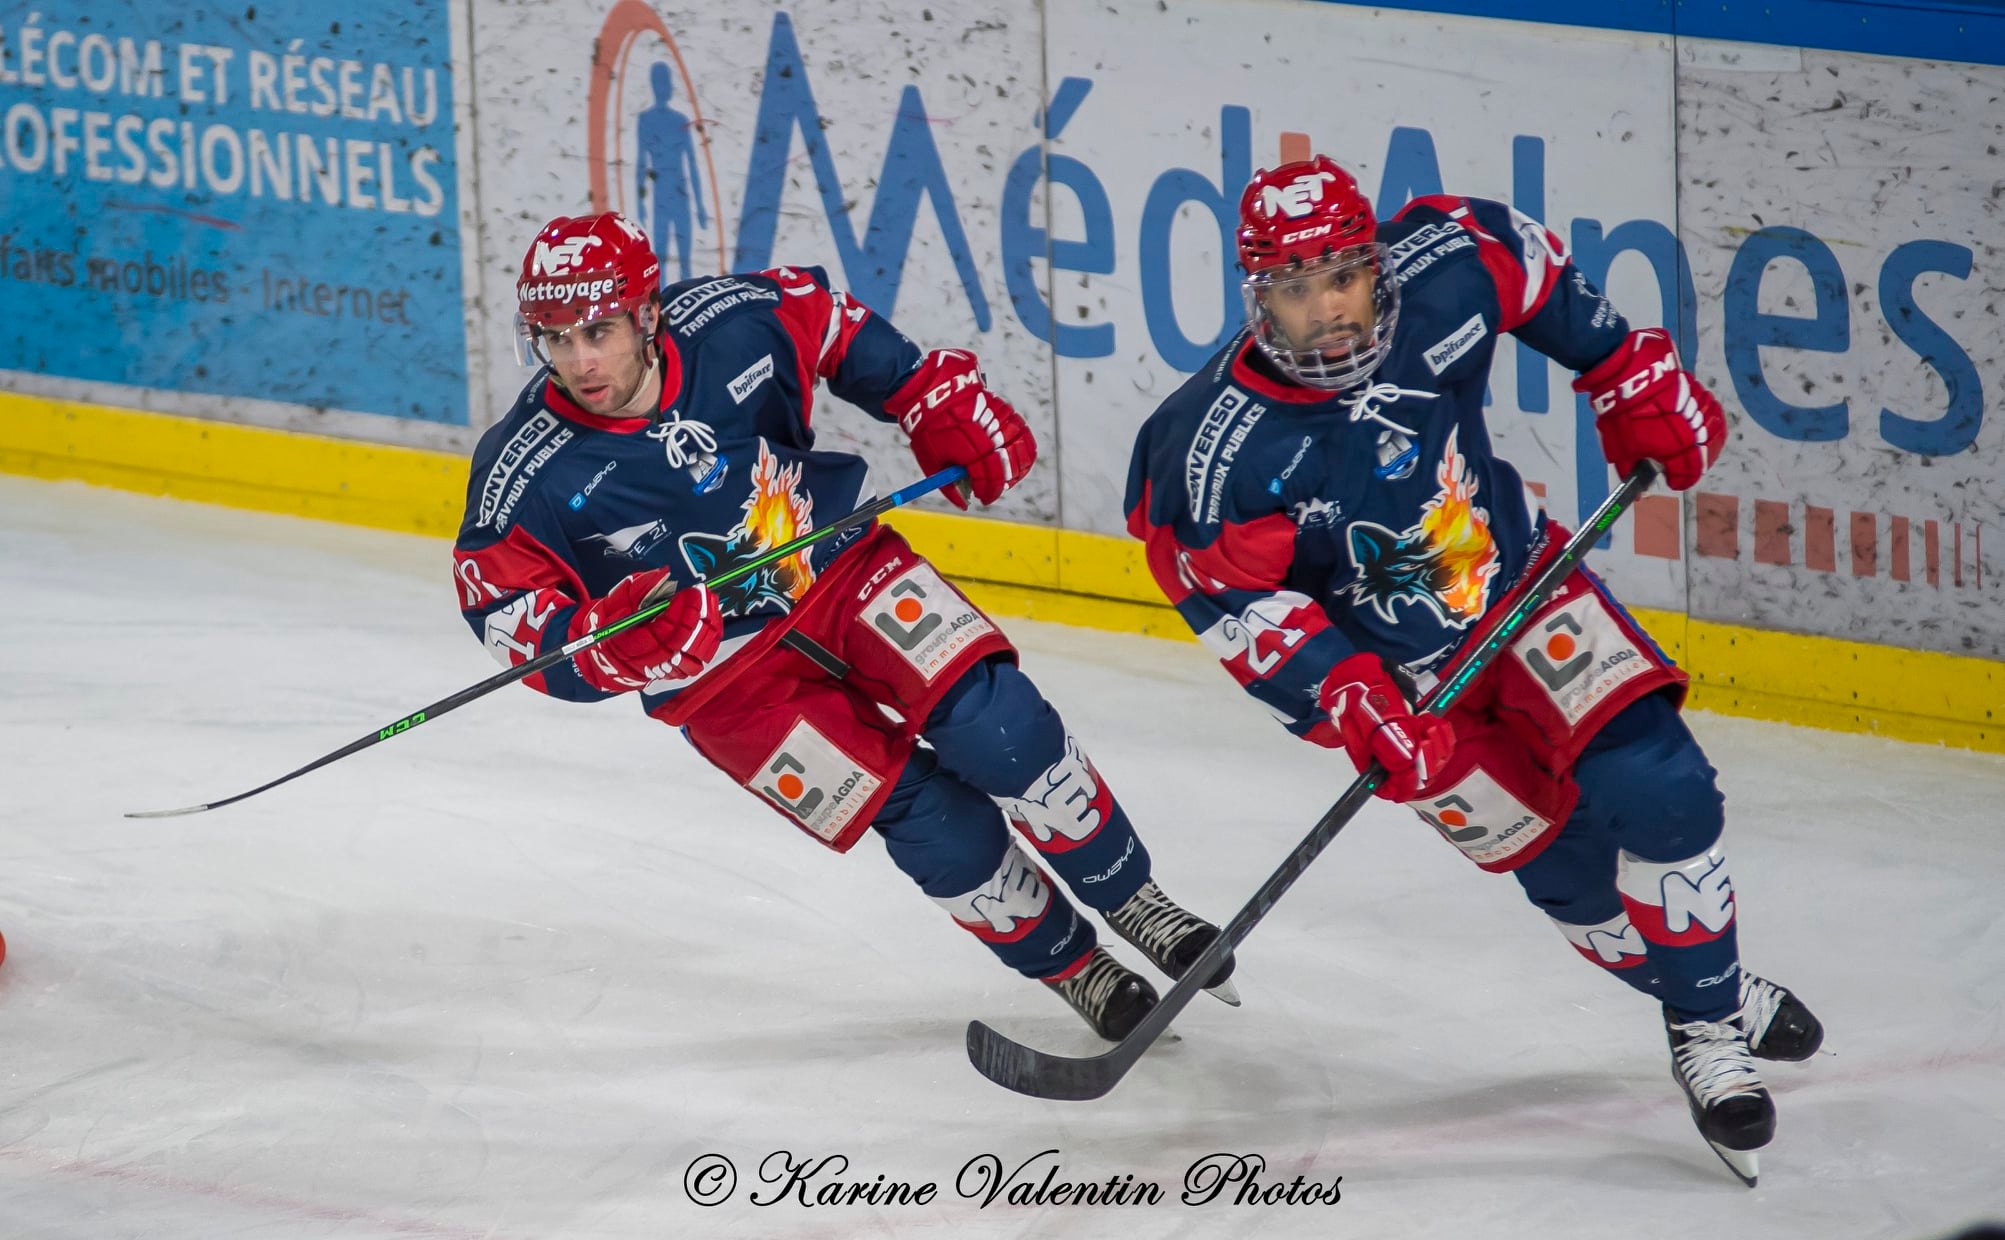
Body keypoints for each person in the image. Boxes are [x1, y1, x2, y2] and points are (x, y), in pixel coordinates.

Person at [1123, 156, 1821, 1180]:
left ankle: (1708, 1034)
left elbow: (1533, 274)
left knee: (1661, 791)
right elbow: (1231, 600)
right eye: (1294, 287)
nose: (1327, 311)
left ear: (1377, 270)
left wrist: (1629, 374)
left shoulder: (1447, 265)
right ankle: (1709, 985)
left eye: (1344, 278)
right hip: (1406, 691)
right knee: (1576, 887)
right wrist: (1346, 694)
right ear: (1257, 297)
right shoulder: (1213, 447)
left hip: (1525, 589)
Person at [452, 211, 1236, 1042]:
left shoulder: (730, 319)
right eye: (555, 338)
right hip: (724, 689)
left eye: (599, 330)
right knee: (929, 819)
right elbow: (505, 615)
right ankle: (1077, 969)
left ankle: (1136, 901)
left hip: (837, 567)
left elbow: (830, 322)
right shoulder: (521, 471)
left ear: (647, 314)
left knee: (997, 722)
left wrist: (928, 395)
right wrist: (605, 645)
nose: (580, 361)